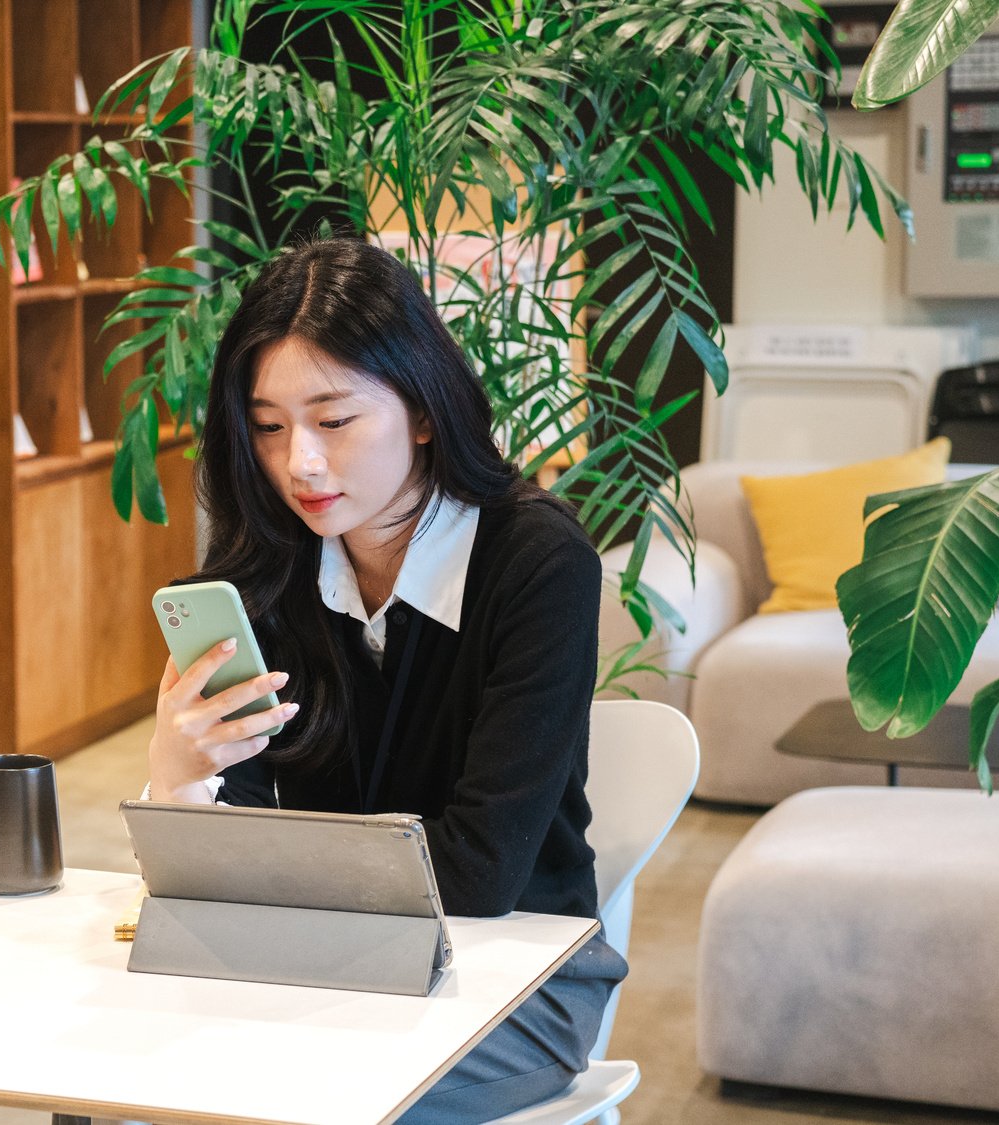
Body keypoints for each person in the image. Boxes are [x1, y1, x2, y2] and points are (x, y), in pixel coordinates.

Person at [145, 237, 626, 1123]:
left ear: (421, 411)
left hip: (521, 983)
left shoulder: (535, 562)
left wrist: (279, 865)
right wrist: (179, 780)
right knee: (136, 1079)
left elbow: (484, 874)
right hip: (319, 968)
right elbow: (224, 862)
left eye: (333, 420)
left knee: (294, 1105)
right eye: (267, 425)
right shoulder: (266, 577)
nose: (300, 464)